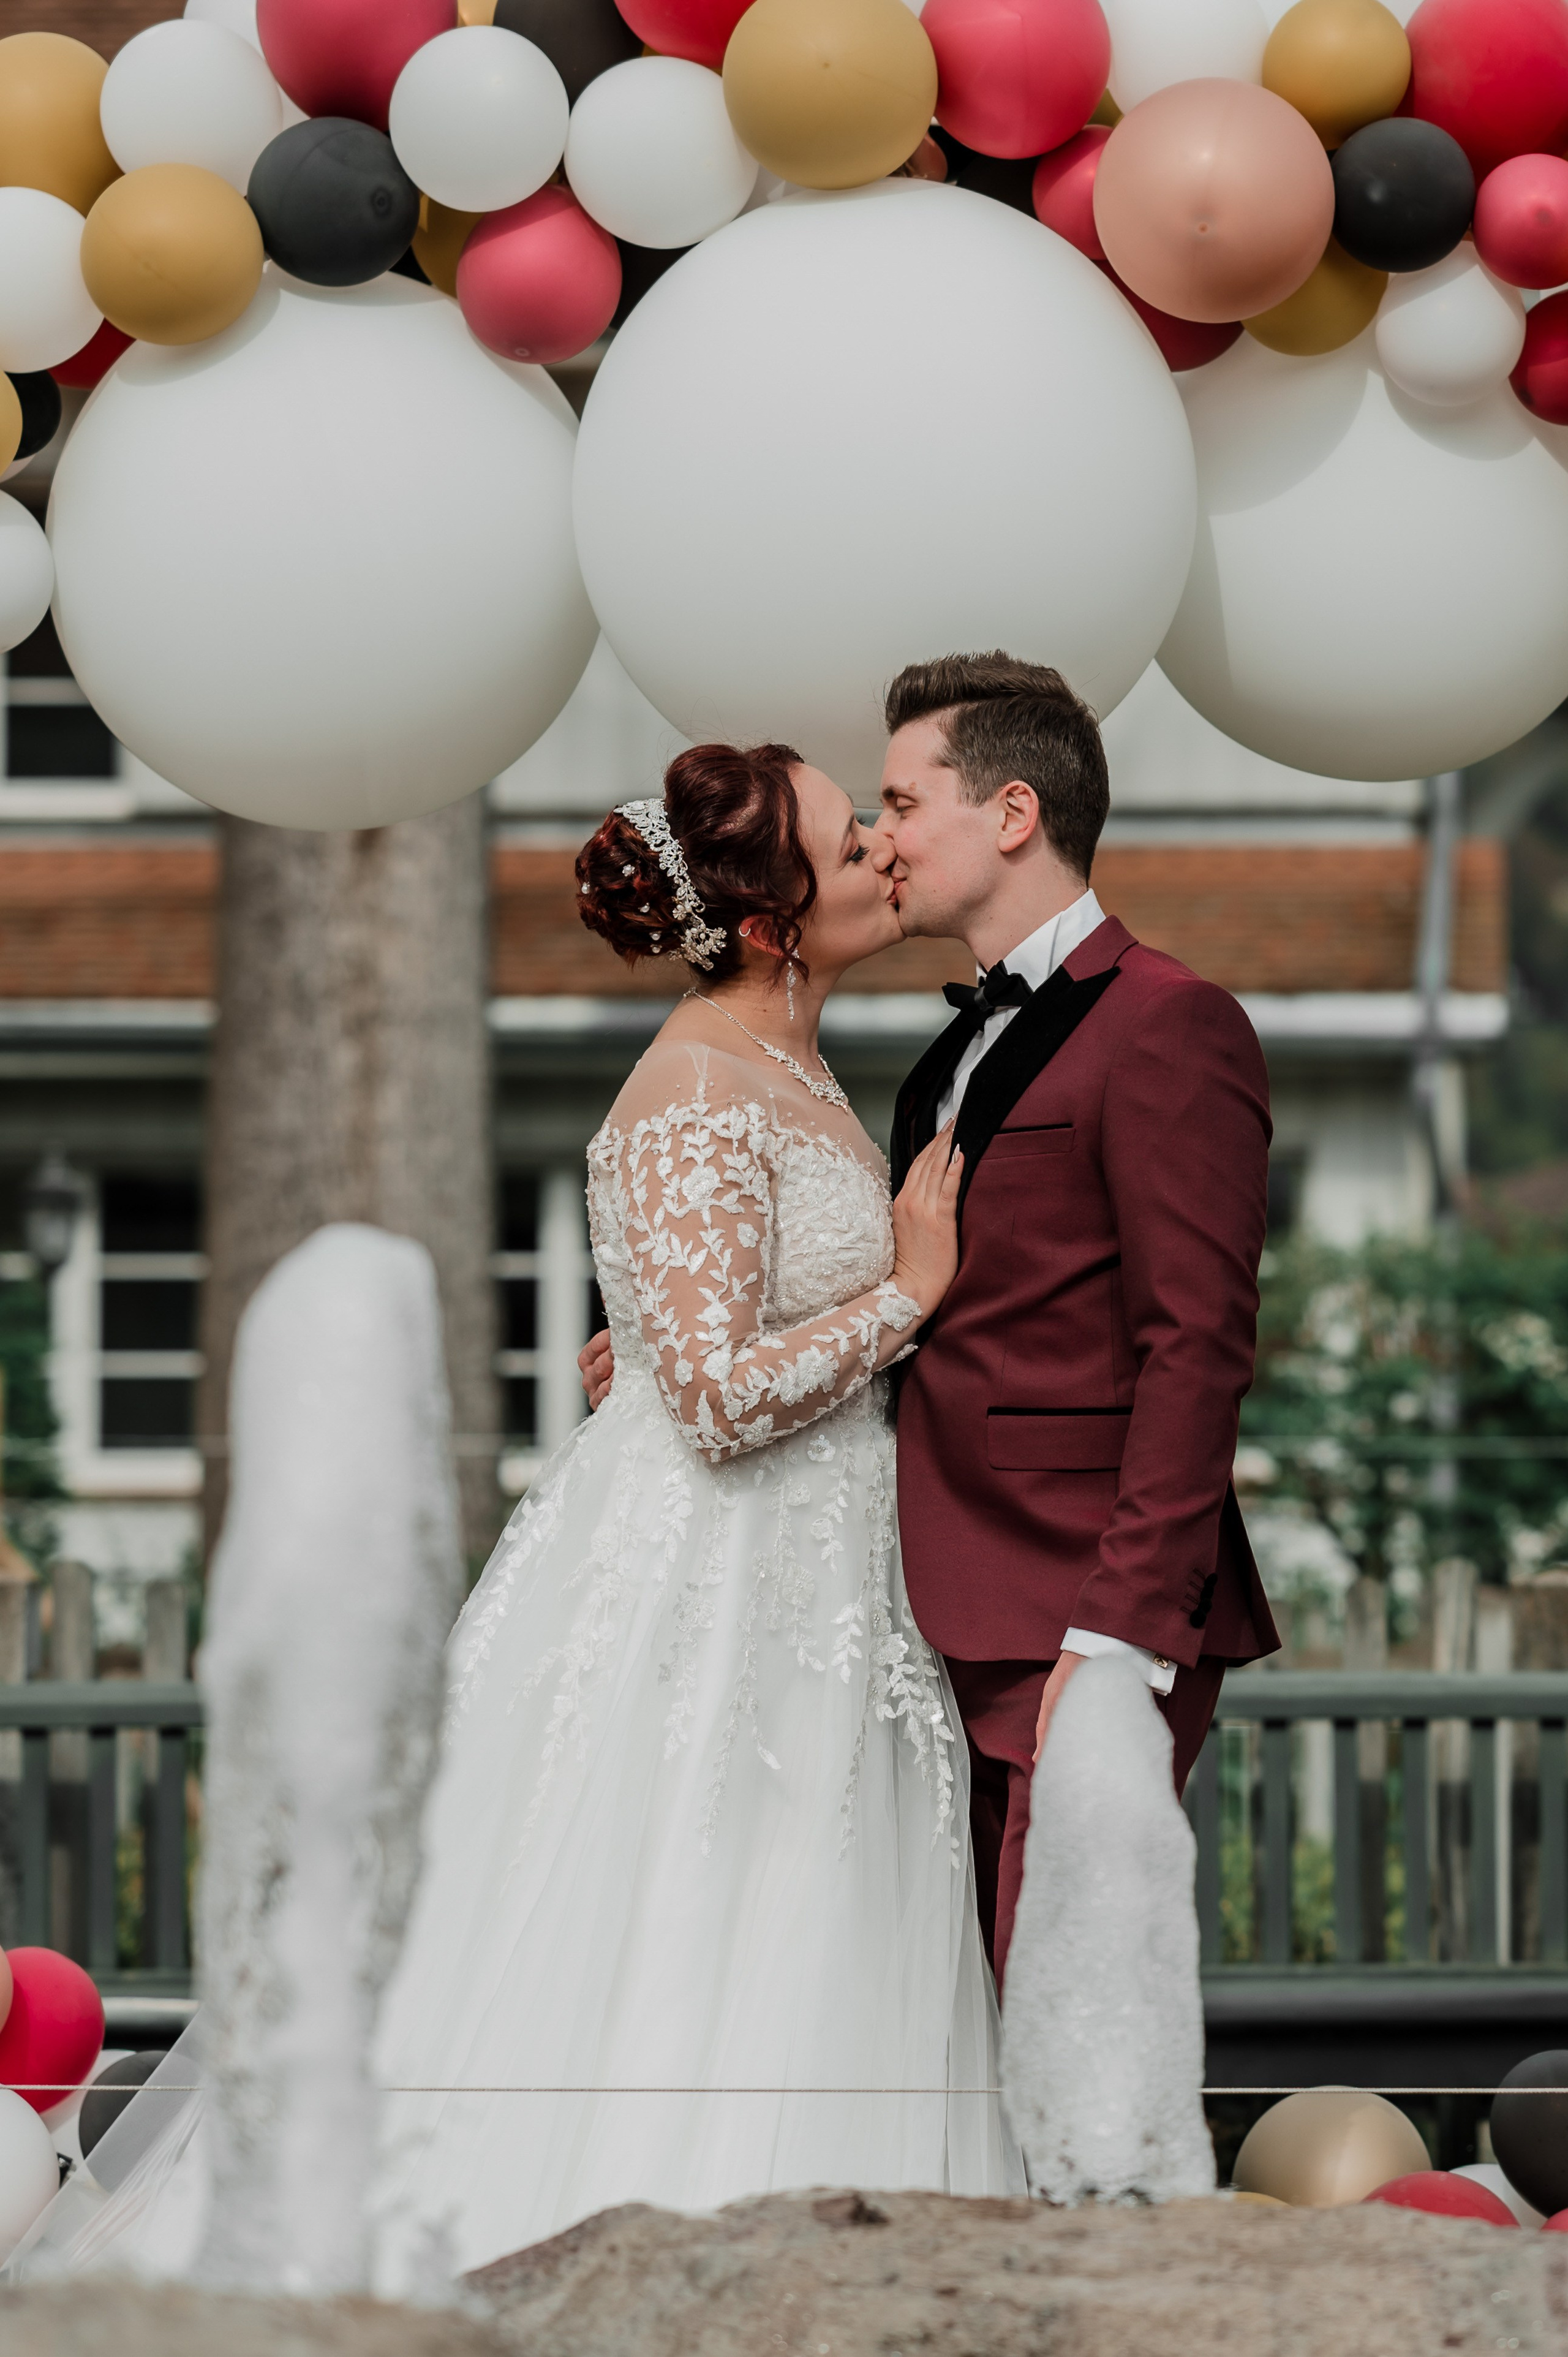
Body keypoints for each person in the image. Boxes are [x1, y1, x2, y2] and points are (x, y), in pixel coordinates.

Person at [367, 740, 1023, 2282]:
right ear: (768, 916)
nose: (877, 849)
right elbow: (723, 1403)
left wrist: (676, 1344)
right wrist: (913, 1294)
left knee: (811, 1935)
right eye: (844, 834)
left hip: (822, 1578)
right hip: (720, 1588)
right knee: (700, 1918)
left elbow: (703, 1333)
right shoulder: (691, 1086)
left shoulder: (787, 1062)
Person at [585, 654, 1281, 1993]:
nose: (880, 841)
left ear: (1009, 814)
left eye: (900, 805)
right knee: (938, 1998)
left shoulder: (1166, 1026)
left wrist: (1122, 1628)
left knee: (1055, 2000)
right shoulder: (927, 1062)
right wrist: (682, 1348)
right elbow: (931, 1302)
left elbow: (1195, 1343)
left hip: (1073, 1611)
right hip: (914, 1609)